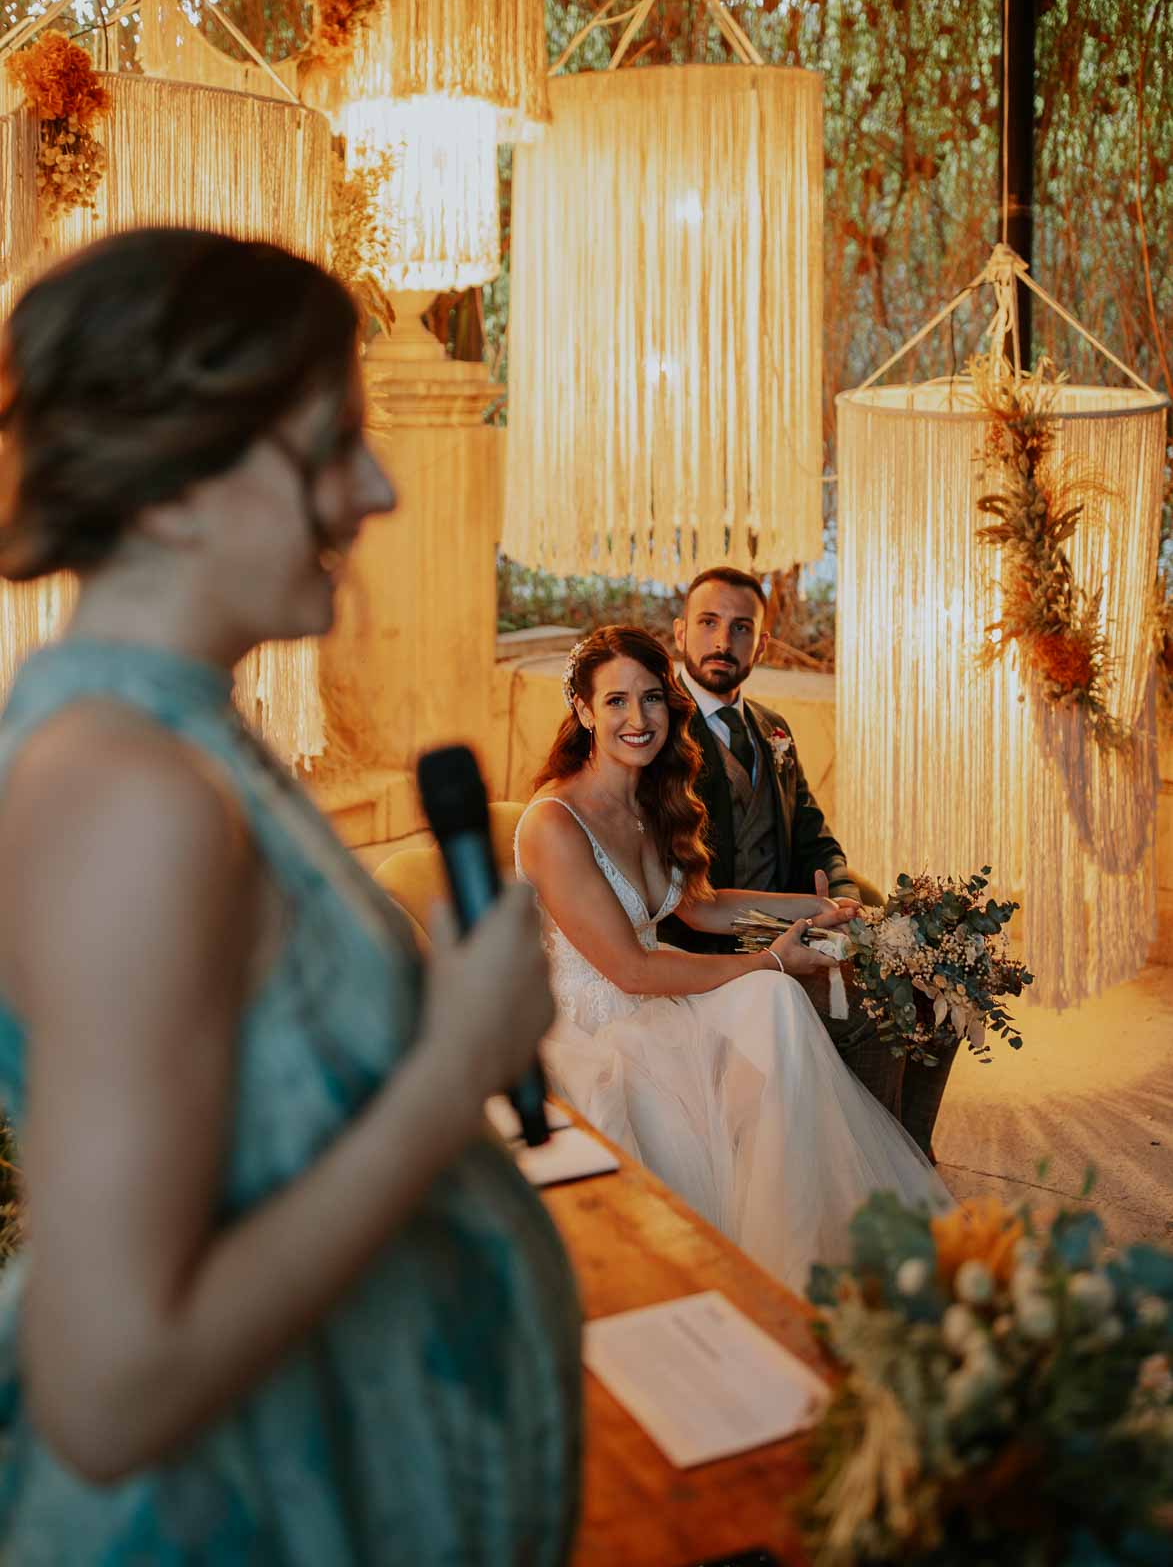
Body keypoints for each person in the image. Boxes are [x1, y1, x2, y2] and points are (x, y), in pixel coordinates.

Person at [0, 229, 580, 1563]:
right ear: (173, 490)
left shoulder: (183, 739)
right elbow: (108, 1391)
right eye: (327, 444)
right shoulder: (124, 792)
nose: (372, 489)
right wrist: (455, 1071)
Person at [515, 625, 949, 1293]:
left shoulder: (645, 798)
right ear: (581, 710)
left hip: (657, 1000)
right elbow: (630, 968)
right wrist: (772, 963)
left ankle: (799, 1234)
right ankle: (778, 1253)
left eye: (652, 699)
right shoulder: (553, 822)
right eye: (616, 702)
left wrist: (813, 911)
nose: (638, 719)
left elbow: (700, 907)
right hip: (597, 1026)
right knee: (770, 996)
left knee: (772, 1008)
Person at [660, 566, 956, 1159]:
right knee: (883, 1011)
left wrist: (844, 893)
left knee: (941, 993)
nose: (723, 641)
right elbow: (680, 897)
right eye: (709, 623)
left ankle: (911, 1159)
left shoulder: (774, 730)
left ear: (761, 643)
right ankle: (866, 1176)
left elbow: (817, 838)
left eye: (741, 628)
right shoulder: (659, 732)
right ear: (680, 633)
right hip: (718, 951)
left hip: (807, 923)